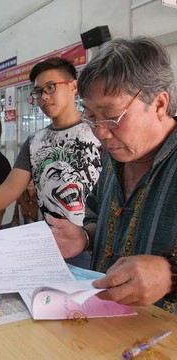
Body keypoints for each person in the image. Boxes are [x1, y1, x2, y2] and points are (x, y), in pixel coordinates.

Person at [47, 36, 177, 313]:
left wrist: (170, 275)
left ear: (159, 104)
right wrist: (84, 236)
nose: (100, 132)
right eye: (91, 116)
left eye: (111, 116)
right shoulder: (117, 155)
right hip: (104, 323)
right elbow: (96, 214)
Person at [0, 58, 103, 266]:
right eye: (39, 91)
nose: (44, 96)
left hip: (92, 247)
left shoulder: (101, 132)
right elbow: (9, 189)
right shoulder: (35, 142)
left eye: (51, 87)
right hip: (48, 246)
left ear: (73, 86)